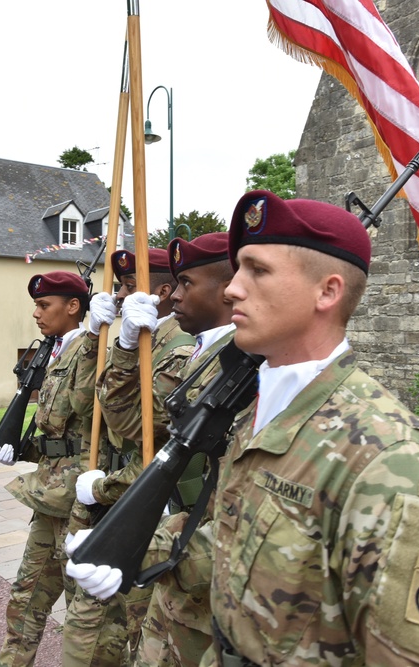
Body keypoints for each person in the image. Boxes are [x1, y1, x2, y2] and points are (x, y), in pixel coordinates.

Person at [70, 191, 419, 665]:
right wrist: (134, 547)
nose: (232, 289)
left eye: (258, 271)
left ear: (327, 292)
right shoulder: (263, 412)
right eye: (238, 269)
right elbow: (235, 533)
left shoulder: (393, 462)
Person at [73, 232, 236, 667]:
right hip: (172, 528)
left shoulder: (229, 359)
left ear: (228, 287)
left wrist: (110, 496)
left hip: (188, 539)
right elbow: (126, 421)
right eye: (176, 283)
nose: (177, 296)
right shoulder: (203, 354)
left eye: (187, 284)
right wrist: (122, 344)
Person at [65, 247, 195, 666]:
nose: (119, 296)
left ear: (162, 291)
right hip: (116, 494)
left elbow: (137, 429)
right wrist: (94, 337)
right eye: (119, 287)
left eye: (127, 286)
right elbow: (84, 404)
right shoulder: (137, 336)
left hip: (146, 505)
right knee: (95, 632)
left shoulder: (178, 347)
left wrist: (103, 488)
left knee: (137, 631)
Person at [0, 270, 99, 667]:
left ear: (73, 307)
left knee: (81, 609)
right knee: (26, 597)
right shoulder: (54, 350)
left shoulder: (92, 349)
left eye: (44, 305)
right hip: (49, 493)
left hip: (79, 500)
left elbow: (77, 410)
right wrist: (22, 447)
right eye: (36, 306)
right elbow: (54, 428)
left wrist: (95, 339)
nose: (36, 314)